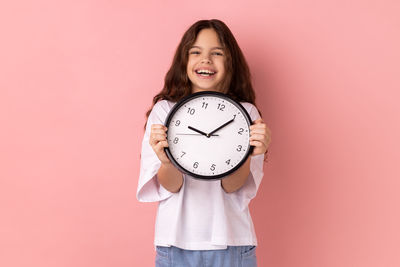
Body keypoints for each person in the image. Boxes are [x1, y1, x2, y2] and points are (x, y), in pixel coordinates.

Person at [137, 19, 272, 267]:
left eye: (217, 53)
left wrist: (251, 153)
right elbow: (170, 185)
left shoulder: (247, 115)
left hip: (231, 241)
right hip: (175, 243)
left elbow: (233, 186)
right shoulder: (164, 112)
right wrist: (167, 160)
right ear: (184, 62)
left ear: (230, 62)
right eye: (196, 52)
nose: (206, 60)